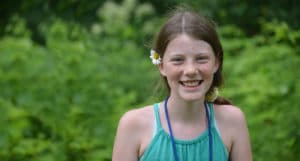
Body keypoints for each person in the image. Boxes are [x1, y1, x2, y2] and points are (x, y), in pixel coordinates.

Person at [112, 8, 252, 161]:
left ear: (216, 62)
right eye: (178, 60)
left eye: (201, 59)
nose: (191, 70)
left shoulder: (233, 121)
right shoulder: (133, 125)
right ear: (161, 66)